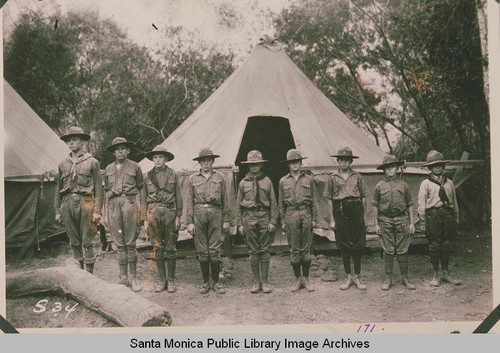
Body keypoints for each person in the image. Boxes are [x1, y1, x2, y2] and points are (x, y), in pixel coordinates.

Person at [54, 126, 103, 274]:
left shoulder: (92, 162)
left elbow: (99, 189)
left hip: (86, 202)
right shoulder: (63, 164)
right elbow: (58, 189)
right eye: (68, 141)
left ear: (82, 142)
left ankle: (90, 275)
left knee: (87, 241)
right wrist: (57, 210)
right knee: (74, 241)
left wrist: (97, 210)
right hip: (67, 203)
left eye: (74, 140)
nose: (71, 143)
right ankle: (79, 274)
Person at [104, 137, 146, 292]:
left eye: (122, 148)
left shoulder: (135, 167)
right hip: (114, 206)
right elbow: (106, 191)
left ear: (128, 150)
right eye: (116, 149)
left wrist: (142, 211)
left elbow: (141, 189)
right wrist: (105, 213)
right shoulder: (108, 169)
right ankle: (123, 278)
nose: (120, 151)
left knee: (130, 243)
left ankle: (134, 277)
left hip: (129, 204)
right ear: (114, 152)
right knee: (119, 244)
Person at [324, 147, 369, 290]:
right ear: (338, 161)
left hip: (356, 210)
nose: (344, 162)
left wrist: (365, 217)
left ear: (351, 162)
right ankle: (348, 277)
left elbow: (363, 198)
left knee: (357, 244)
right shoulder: (332, 178)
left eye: (347, 160)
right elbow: (329, 199)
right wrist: (332, 219)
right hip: (340, 210)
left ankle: (357, 276)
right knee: (343, 245)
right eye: (341, 160)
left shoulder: (358, 176)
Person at [186, 148, 230, 294]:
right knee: (202, 251)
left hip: (216, 214)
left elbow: (226, 200)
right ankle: (206, 283)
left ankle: (216, 283)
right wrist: (190, 222)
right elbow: (189, 202)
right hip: (199, 213)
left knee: (215, 249)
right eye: (203, 161)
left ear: (213, 162)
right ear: (199, 163)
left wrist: (226, 220)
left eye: (208, 161)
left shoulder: (221, 177)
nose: (206, 164)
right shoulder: (192, 179)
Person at [237, 150, 278, 294]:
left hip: (264, 216)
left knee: (265, 249)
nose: (255, 167)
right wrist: (240, 224)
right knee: (253, 250)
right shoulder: (243, 183)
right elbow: (238, 204)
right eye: (252, 165)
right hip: (249, 217)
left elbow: (273, 202)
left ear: (261, 165)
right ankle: (256, 282)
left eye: (257, 164)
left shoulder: (267, 181)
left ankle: (265, 282)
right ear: (248, 166)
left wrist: (273, 221)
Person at [418, 150, 461, 287]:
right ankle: (436, 273)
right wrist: (423, 221)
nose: (438, 167)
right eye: (435, 165)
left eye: (440, 165)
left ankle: (445, 272)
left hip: (447, 215)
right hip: (433, 215)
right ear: (430, 168)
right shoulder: (426, 183)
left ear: (443, 167)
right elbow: (421, 203)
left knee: (446, 243)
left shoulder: (449, 183)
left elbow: (454, 202)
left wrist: (456, 217)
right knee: (435, 244)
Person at [373, 155, 416, 290]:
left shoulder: (404, 185)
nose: (390, 170)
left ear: (397, 168)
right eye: (387, 168)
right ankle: (388, 278)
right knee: (388, 250)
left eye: (392, 167)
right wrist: (376, 224)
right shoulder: (379, 186)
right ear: (384, 170)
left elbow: (410, 204)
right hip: (385, 220)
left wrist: (411, 223)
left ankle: (405, 277)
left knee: (403, 249)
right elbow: (375, 205)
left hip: (402, 220)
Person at [144, 145, 183, 293]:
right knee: (157, 247)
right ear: (152, 160)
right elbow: (143, 198)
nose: (158, 160)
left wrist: (179, 216)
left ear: (166, 159)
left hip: (169, 212)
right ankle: (162, 281)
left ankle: (171, 280)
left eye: (161, 157)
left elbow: (178, 196)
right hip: (152, 212)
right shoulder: (147, 176)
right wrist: (145, 220)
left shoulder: (173, 174)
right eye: (155, 157)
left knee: (171, 247)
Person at [278, 149, 318, 292]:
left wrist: (314, 218)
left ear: (301, 163)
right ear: (289, 164)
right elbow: (280, 203)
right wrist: (283, 220)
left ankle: (306, 279)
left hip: (305, 213)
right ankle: (297, 279)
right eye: (292, 162)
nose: (295, 165)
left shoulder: (309, 179)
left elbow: (314, 201)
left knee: (305, 250)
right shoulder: (283, 181)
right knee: (294, 250)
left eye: (297, 162)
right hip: (291, 214)